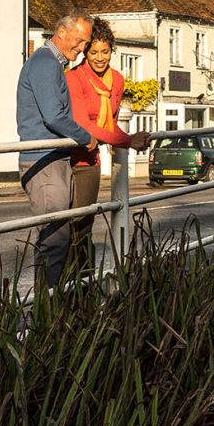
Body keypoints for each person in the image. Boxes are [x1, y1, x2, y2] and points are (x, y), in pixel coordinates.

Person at [65, 17, 151, 278]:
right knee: (68, 228)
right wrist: (127, 141)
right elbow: (83, 125)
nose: (100, 58)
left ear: (112, 50)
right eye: (93, 52)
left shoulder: (117, 80)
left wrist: (128, 137)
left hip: (90, 161)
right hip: (67, 160)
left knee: (84, 225)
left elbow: (111, 124)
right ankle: (64, 288)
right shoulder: (74, 78)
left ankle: (84, 284)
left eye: (105, 51)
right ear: (85, 52)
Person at [16, 10, 96, 288]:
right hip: (45, 162)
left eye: (86, 43)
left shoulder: (49, 63)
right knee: (54, 239)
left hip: (52, 159)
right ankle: (45, 315)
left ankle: (53, 309)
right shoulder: (46, 64)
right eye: (81, 40)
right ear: (62, 32)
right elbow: (53, 116)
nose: (83, 48)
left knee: (59, 236)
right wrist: (85, 137)